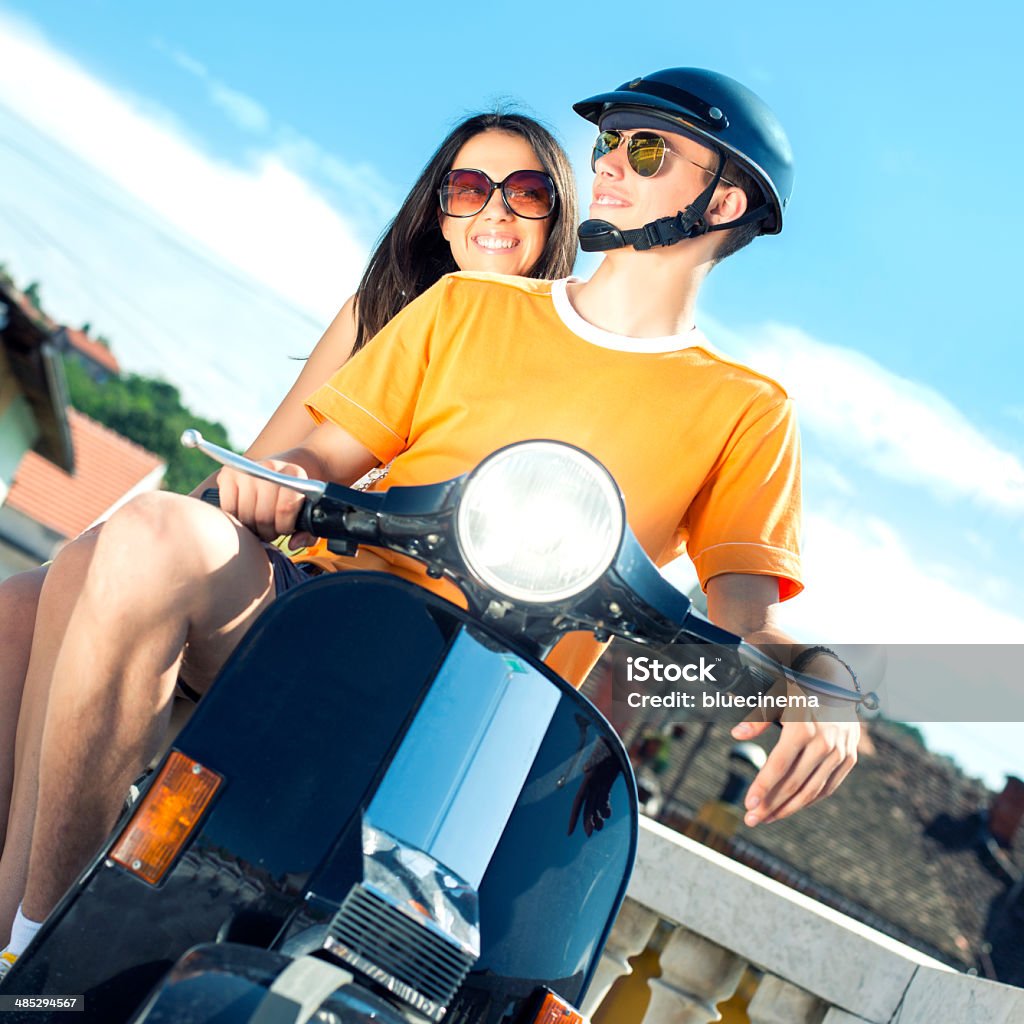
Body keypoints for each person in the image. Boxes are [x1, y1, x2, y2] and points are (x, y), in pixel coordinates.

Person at [2, 66, 862, 975]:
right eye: (608, 142)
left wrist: (820, 676)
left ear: (724, 200)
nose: (608, 162)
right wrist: (282, 479)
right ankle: (35, 954)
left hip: (495, 708)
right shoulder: (464, 305)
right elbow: (319, 458)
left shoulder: (747, 408)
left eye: (644, 149)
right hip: (317, 625)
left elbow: (746, 614)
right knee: (151, 536)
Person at [0, 110, 578, 969]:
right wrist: (120, 554)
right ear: (437, 207)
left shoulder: (556, 350)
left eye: (525, 192)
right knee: (28, 599)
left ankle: (34, 938)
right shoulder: (379, 312)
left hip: (378, 643)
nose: (493, 209)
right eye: (468, 187)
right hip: (276, 589)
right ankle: (14, 924)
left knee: (107, 565)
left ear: (557, 216)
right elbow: (267, 462)